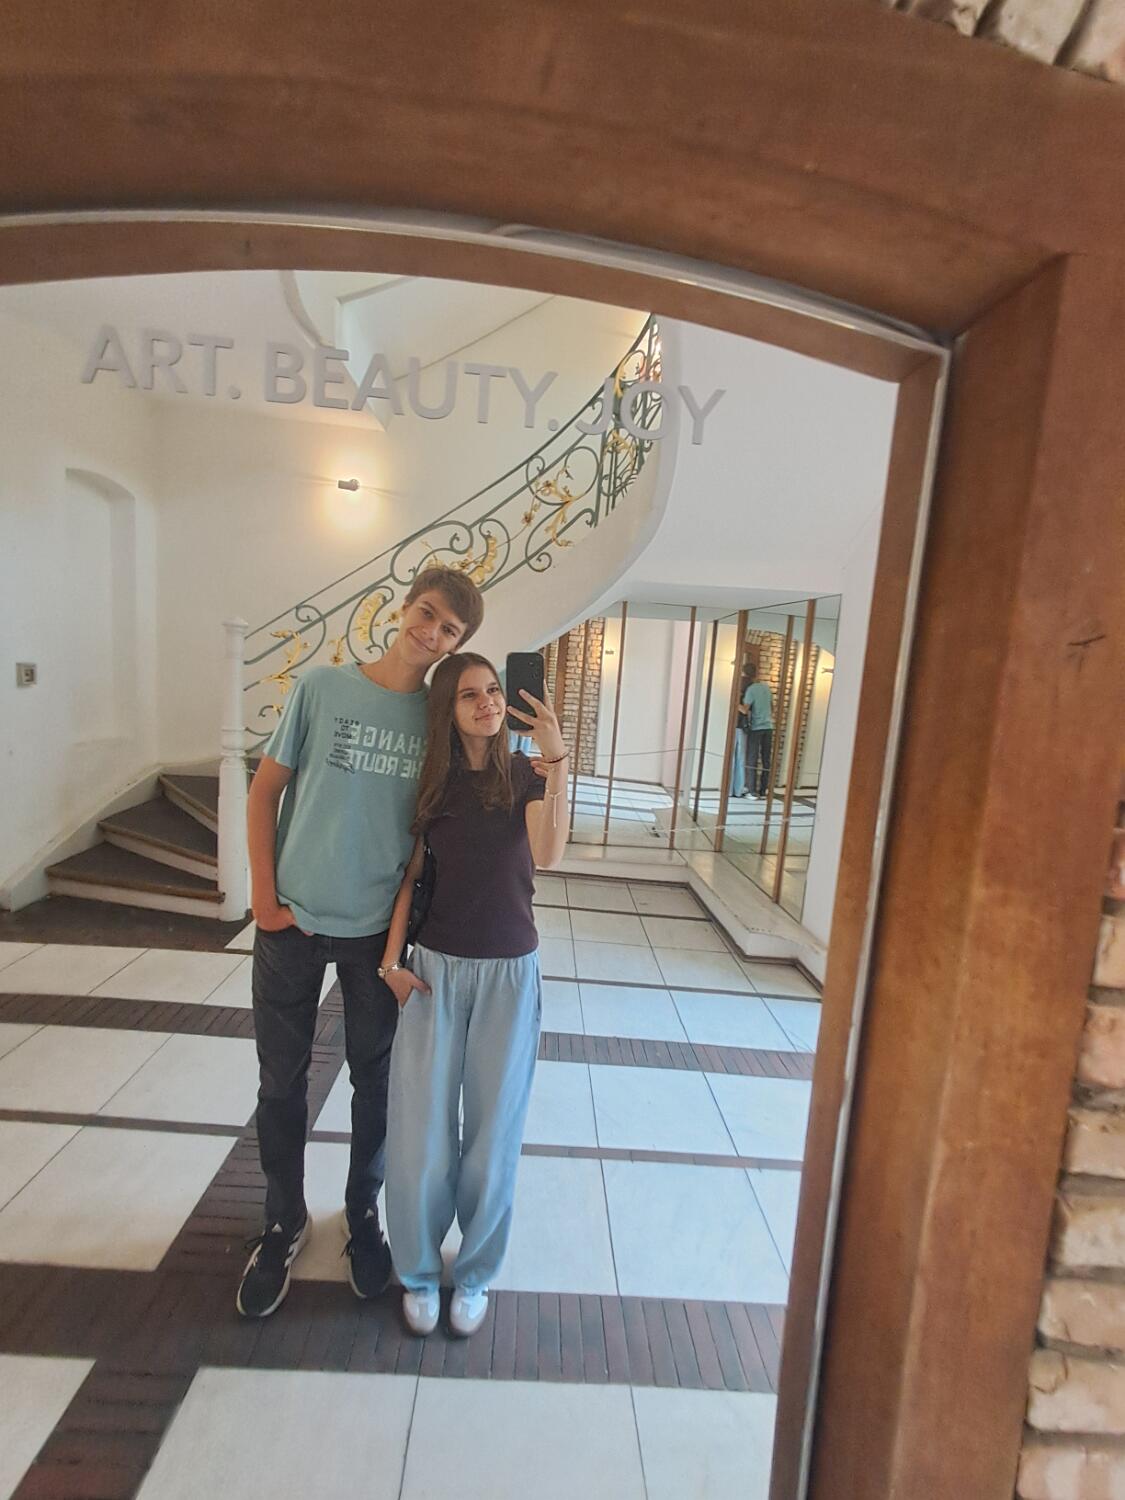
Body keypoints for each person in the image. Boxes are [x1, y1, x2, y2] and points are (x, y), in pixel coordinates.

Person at [236, 566, 484, 1319]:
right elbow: (265, 790)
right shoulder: (321, 687)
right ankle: (283, 1221)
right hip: (293, 923)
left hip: (376, 934)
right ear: (403, 608)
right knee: (281, 1082)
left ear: (456, 644)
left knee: (376, 1085)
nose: (431, 633)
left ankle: (360, 1213)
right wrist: (263, 897)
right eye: (426, 614)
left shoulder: (436, 721)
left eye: (449, 630)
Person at [381, 653, 570, 1337]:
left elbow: (548, 853)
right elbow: (411, 876)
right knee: (420, 1136)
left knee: (493, 1136)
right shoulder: (432, 781)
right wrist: (390, 962)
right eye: (470, 695)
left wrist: (556, 760)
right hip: (434, 971)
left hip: (509, 973)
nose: (487, 702)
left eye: (493, 690)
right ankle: (417, 1271)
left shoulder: (525, 774)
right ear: (448, 709)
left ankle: (476, 1272)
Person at [743, 664, 774, 797]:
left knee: (752, 758)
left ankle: (752, 790)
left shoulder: (751, 690)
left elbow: (745, 709)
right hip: (768, 727)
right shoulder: (766, 688)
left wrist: (734, 703)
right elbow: (772, 708)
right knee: (766, 759)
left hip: (756, 728)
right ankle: (763, 789)